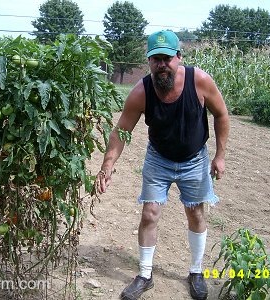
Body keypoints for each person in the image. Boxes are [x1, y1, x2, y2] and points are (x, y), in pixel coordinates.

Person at [95, 30, 230, 300]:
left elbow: (221, 114)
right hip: (159, 158)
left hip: (194, 159)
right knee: (149, 214)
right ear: (149, 62)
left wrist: (220, 155)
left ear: (178, 57)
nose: (161, 64)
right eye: (155, 59)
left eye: (166, 58)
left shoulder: (199, 81)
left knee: (195, 213)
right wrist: (107, 164)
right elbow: (121, 131)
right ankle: (145, 275)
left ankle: (195, 271)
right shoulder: (141, 92)